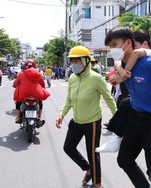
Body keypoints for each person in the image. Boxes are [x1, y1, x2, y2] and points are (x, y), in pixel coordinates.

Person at [104, 27, 151, 188]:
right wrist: (117, 74)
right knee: (124, 160)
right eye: (110, 46)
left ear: (128, 43)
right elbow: (117, 69)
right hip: (134, 120)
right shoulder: (123, 66)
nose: (112, 49)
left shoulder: (149, 63)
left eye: (114, 44)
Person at [55, 46, 117, 188]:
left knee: (92, 154)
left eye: (78, 60)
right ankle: (88, 169)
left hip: (92, 122)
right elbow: (69, 100)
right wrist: (61, 114)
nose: (74, 64)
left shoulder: (96, 78)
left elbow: (109, 99)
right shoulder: (72, 78)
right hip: (76, 121)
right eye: (72, 61)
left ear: (86, 61)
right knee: (68, 148)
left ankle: (98, 183)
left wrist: (118, 119)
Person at [13, 59, 50, 124]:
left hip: (23, 95)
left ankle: (18, 118)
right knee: (40, 102)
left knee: (18, 102)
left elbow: (15, 84)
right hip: (37, 95)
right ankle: (39, 117)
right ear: (34, 66)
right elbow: (43, 85)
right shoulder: (38, 74)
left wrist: (14, 85)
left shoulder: (21, 74)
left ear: (25, 66)